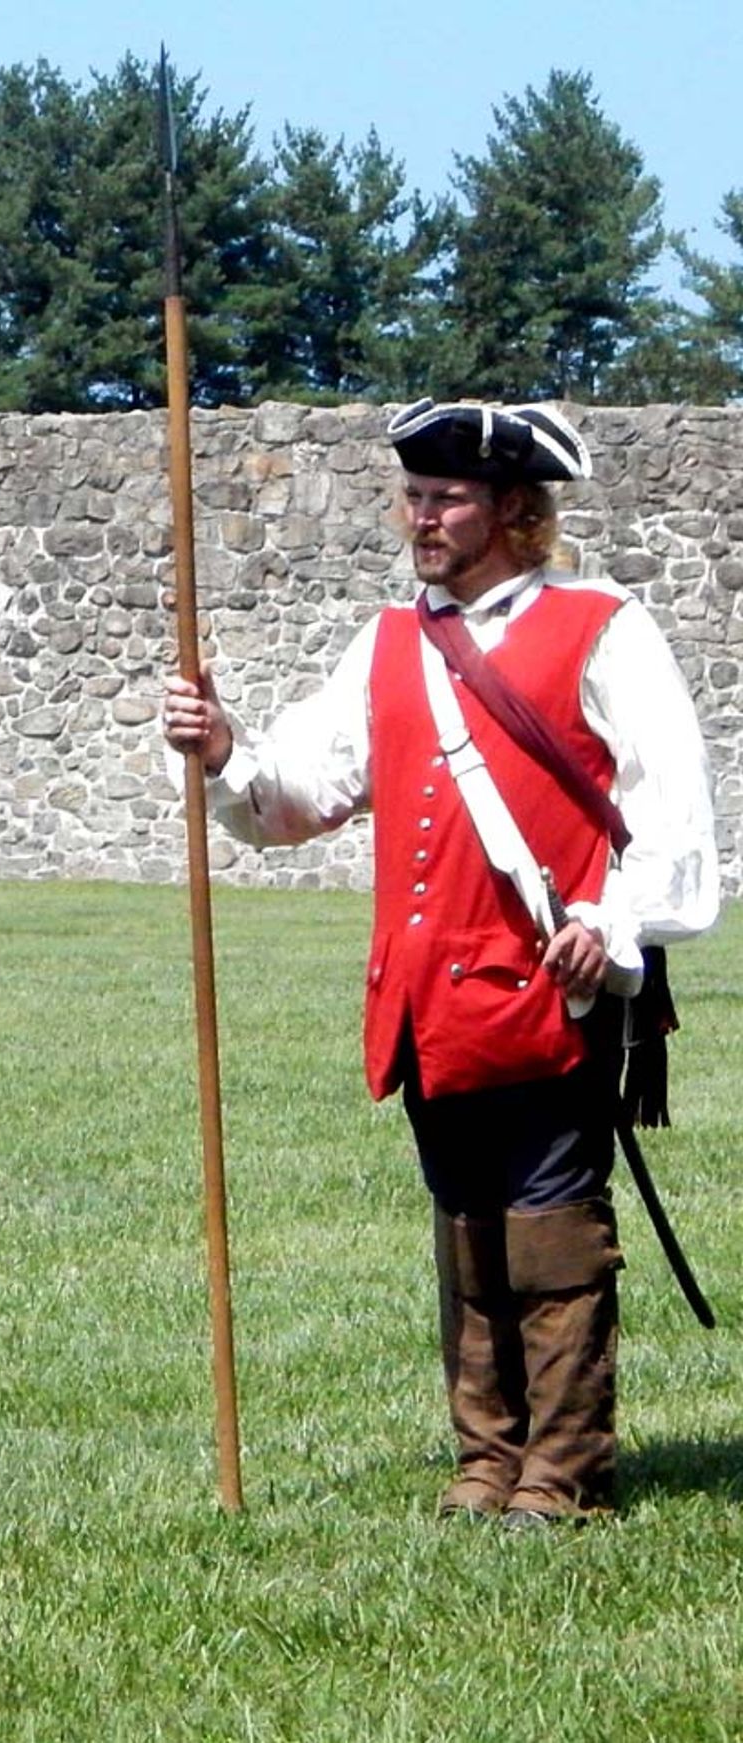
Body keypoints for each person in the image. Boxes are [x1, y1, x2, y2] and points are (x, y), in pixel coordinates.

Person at [162, 397, 718, 1525]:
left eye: (446, 499)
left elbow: (672, 812)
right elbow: (299, 795)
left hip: (548, 992)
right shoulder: (390, 643)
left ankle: (561, 1472)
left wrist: (610, 927)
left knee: (550, 1228)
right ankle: (483, 1461)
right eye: (412, 497)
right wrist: (223, 750)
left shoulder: (601, 626)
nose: (420, 518)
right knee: (463, 1223)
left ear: (513, 509)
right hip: (426, 998)